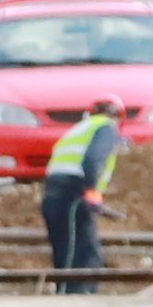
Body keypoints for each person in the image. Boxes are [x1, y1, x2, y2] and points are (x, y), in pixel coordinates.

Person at [37, 98, 121, 294]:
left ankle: (69, 297)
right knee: (83, 257)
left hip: (53, 194)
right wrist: (91, 191)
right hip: (73, 193)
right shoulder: (106, 127)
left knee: (66, 256)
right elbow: (92, 160)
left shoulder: (78, 130)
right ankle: (79, 301)